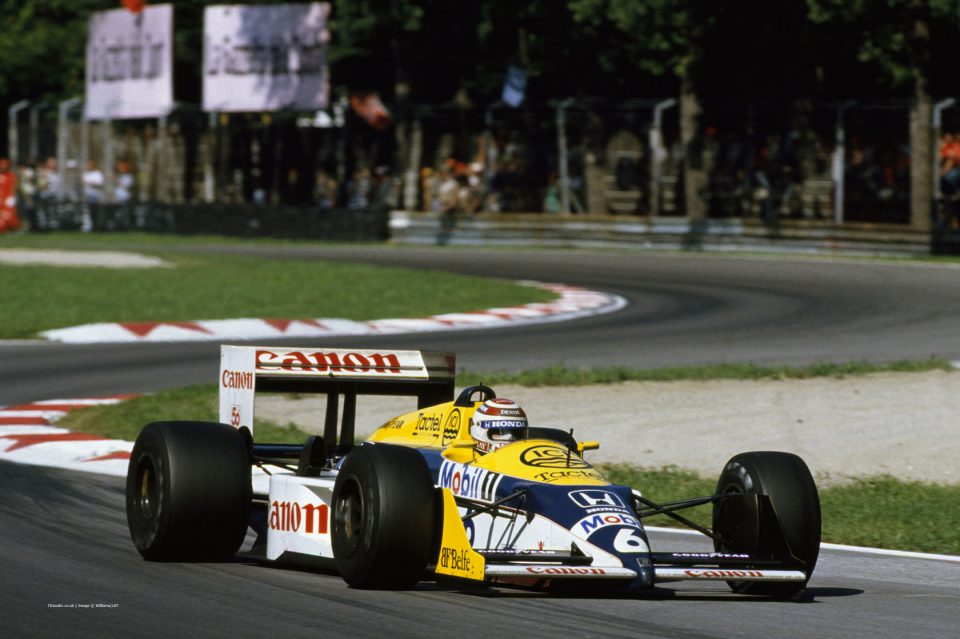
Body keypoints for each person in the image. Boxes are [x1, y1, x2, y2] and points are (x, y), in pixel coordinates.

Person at [0, 158, 20, 233]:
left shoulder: (11, 176)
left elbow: (14, 187)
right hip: (1, 199)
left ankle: (12, 227)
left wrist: (12, 197)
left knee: (9, 214)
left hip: (7, 199)